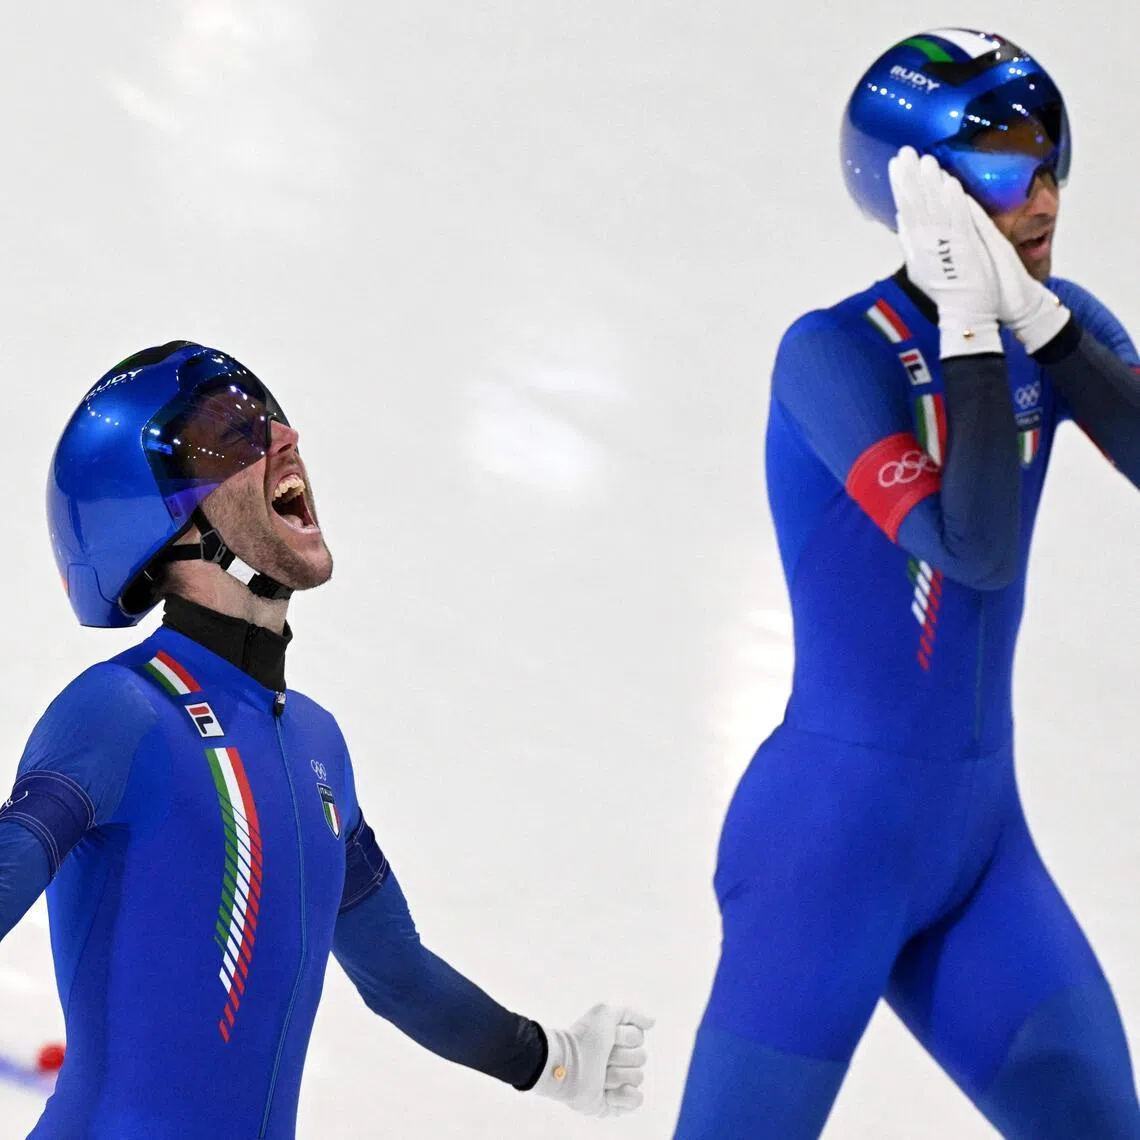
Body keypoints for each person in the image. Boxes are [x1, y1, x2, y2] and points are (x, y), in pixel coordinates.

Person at [0, 340, 652, 1137]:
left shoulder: (316, 745)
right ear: (160, 520)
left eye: (268, 417)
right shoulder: (120, 711)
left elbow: (398, 975)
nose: (284, 437)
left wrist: (550, 1058)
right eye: (232, 434)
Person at [675, 27, 1140, 1139]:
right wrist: (976, 330)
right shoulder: (832, 355)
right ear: (916, 189)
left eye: (1051, 158)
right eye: (1002, 169)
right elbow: (970, 546)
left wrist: (1049, 333)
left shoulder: (1057, 321)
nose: (1041, 199)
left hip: (982, 850)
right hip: (826, 850)